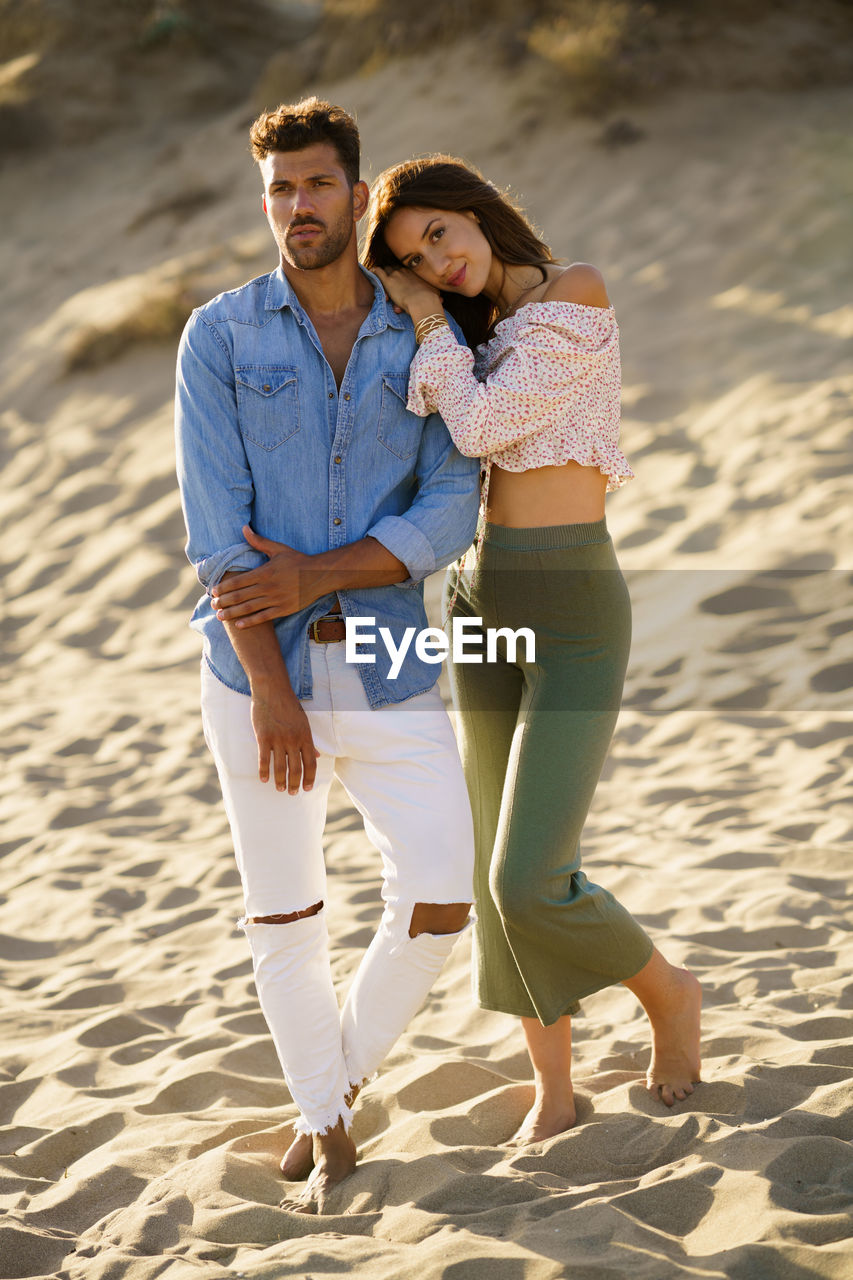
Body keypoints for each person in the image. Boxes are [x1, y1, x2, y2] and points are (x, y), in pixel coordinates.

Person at [174, 105, 480, 1212]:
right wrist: (270, 687)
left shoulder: (425, 333)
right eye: (278, 190)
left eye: (315, 185)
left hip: (393, 657)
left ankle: (328, 1085)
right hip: (257, 677)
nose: (296, 207)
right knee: (287, 913)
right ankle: (331, 1129)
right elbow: (218, 536)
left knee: (444, 890)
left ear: (357, 196)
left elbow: (455, 500)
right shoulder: (220, 335)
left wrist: (318, 572)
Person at [362, 155, 702, 1144]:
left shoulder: (574, 295)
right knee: (486, 866)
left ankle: (665, 988)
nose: (438, 259)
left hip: (572, 605)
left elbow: (482, 426)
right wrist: (431, 326)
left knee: (527, 871)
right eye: (412, 255)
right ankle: (554, 1086)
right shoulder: (476, 338)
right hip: (478, 597)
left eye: (437, 234)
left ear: (475, 210)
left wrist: (426, 317)